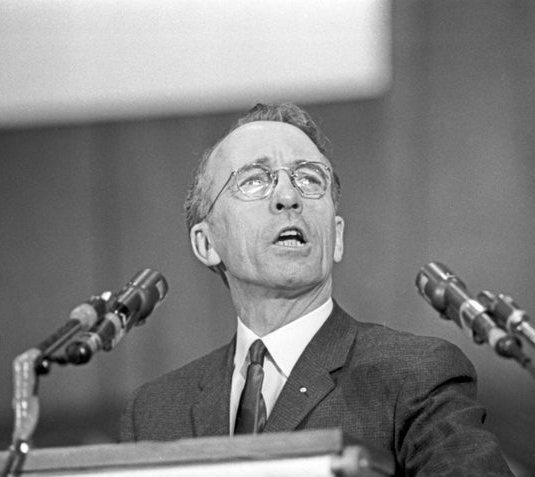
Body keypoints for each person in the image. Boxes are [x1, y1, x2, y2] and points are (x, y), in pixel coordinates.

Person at [119, 103, 514, 476]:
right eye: (254, 180)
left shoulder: (412, 376)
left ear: (337, 237)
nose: (288, 197)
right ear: (207, 244)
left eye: (309, 179)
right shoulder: (154, 414)